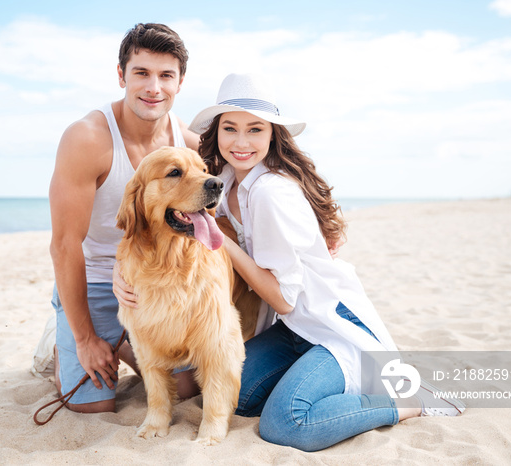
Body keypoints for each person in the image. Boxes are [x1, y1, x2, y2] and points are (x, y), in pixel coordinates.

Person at [182, 73, 466, 451]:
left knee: (286, 424)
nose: (241, 142)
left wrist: (222, 245)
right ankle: (320, 386)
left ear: (272, 135)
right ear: (216, 133)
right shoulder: (228, 181)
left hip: (331, 328)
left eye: (255, 129)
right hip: (294, 329)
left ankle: (405, 402)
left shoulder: (270, 191)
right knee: (237, 394)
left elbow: (282, 298)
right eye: (230, 128)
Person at [47, 23, 200, 414]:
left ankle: (129, 343)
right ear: (121, 75)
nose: (154, 87)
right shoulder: (88, 138)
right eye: (142, 73)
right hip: (96, 279)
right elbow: (65, 245)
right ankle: (64, 339)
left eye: (166, 75)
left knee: (188, 389)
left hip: (158, 281)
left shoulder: (188, 143)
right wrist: (83, 339)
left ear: (180, 82)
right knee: (94, 407)